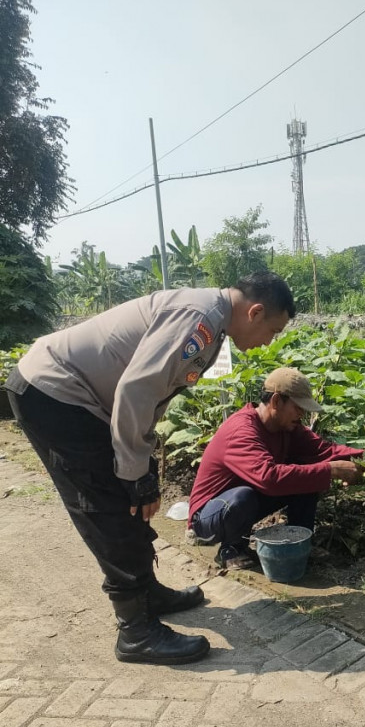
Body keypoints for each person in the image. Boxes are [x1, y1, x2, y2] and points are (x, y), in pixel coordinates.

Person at [6, 272, 296, 666]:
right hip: (55, 393)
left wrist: (139, 461)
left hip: (81, 398)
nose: (269, 341)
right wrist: (135, 473)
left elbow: (152, 394)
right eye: (273, 331)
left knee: (128, 495)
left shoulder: (212, 322)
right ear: (255, 312)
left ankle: (147, 594)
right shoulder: (199, 318)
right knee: (108, 505)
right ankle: (136, 632)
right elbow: (137, 390)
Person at [189, 367, 365, 569]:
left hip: (246, 501)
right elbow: (269, 478)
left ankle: (298, 541)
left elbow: (324, 450)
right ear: (275, 401)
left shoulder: (286, 427)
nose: (302, 414)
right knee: (243, 497)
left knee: (307, 474)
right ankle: (231, 548)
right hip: (209, 517)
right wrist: (331, 470)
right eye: (298, 408)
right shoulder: (242, 430)